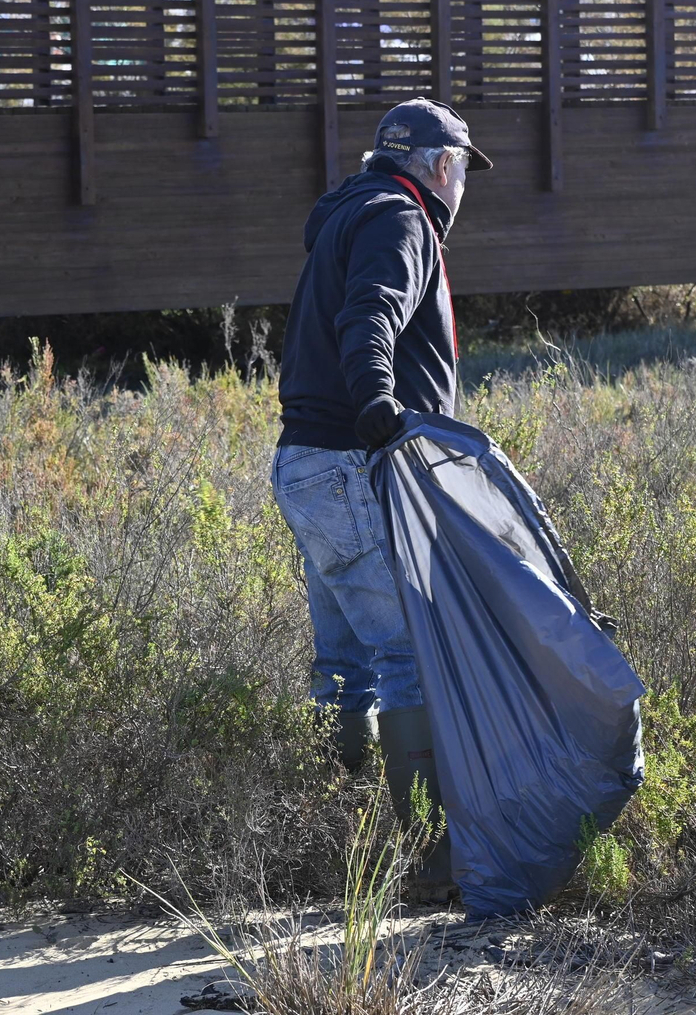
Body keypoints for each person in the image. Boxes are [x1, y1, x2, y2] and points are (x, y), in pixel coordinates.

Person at [271, 97, 492, 894]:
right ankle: (435, 867)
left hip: (306, 467)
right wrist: (378, 406)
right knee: (408, 655)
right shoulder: (401, 220)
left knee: (343, 669)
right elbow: (373, 315)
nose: (465, 182)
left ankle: (333, 846)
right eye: (465, 166)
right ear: (442, 165)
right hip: (348, 464)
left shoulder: (350, 213)